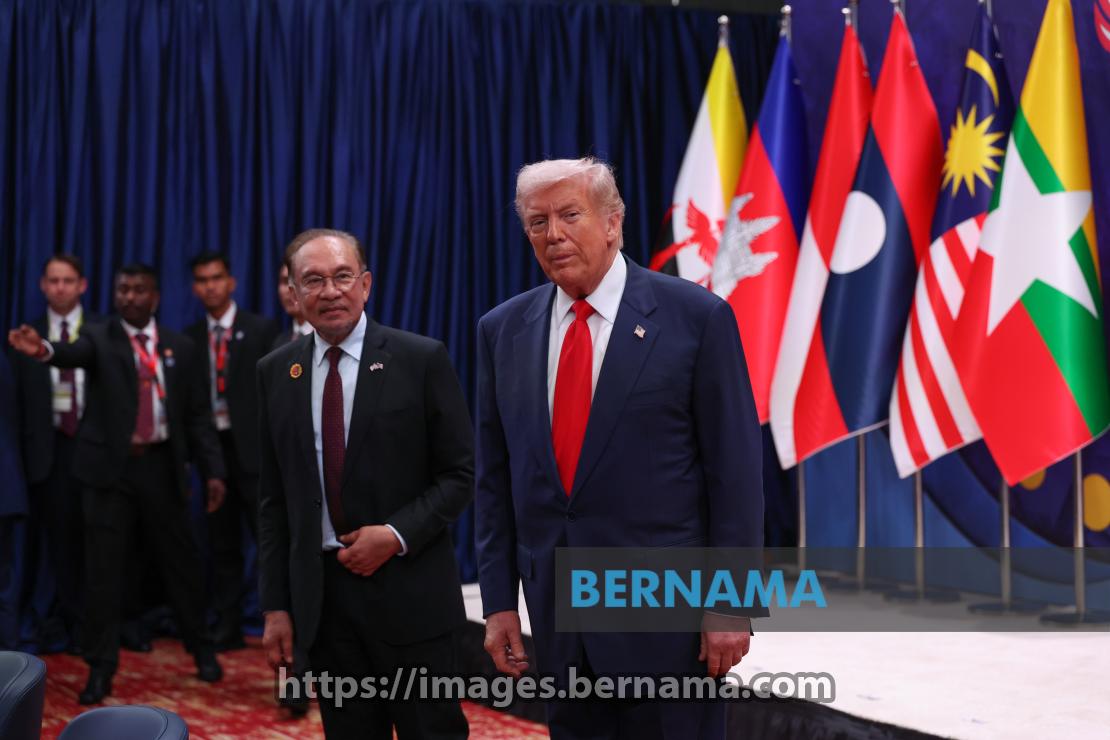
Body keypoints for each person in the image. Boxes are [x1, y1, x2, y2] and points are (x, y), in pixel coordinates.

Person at [474, 158, 765, 739]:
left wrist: (731, 603)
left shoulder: (695, 317)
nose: (553, 234)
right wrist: (499, 601)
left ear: (613, 223)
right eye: (537, 222)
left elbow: (734, 475)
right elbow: (496, 479)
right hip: (561, 623)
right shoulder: (503, 330)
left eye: (570, 215)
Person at [258, 228, 472, 739]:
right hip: (325, 606)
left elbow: (459, 475)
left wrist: (395, 536)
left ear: (366, 284)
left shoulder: (420, 359)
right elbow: (273, 500)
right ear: (294, 293)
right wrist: (276, 606)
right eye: (313, 280)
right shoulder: (275, 372)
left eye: (342, 276)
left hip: (411, 596)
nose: (330, 291)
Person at [8, 263, 227, 705]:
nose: (129, 296)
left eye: (139, 289)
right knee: (102, 573)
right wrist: (44, 350)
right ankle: (100, 668)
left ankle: (202, 650)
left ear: (155, 297)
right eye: (123, 289)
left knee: (181, 565)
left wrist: (214, 471)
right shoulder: (100, 338)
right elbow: (71, 353)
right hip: (110, 473)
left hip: (162, 467)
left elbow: (198, 417)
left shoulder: (181, 347)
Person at [185, 251, 279, 651]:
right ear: (194, 287)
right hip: (213, 453)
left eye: (217, 278)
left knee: (268, 542)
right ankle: (227, 625)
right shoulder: (190, 338)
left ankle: (275, 620)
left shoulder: (261, 329)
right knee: (221, 544)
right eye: (202, 280)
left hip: (255, 454)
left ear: (231, 282)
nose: (211, 286)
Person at [11, 254, 100, 652]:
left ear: (82, 285)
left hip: (93, 446)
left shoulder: (101, 330)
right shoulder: (25, 335)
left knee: (100, 543)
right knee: (59, 544)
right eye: (53, 280)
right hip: (48, 451)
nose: (60, 287)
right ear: (42, 286)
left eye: (68, 280)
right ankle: (65, 623)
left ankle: (100, 626)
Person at [273, 262, 314, 349]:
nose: (290, 290)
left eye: (299, 281)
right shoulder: (279, 343)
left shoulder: (330, 337)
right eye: (285, 281)